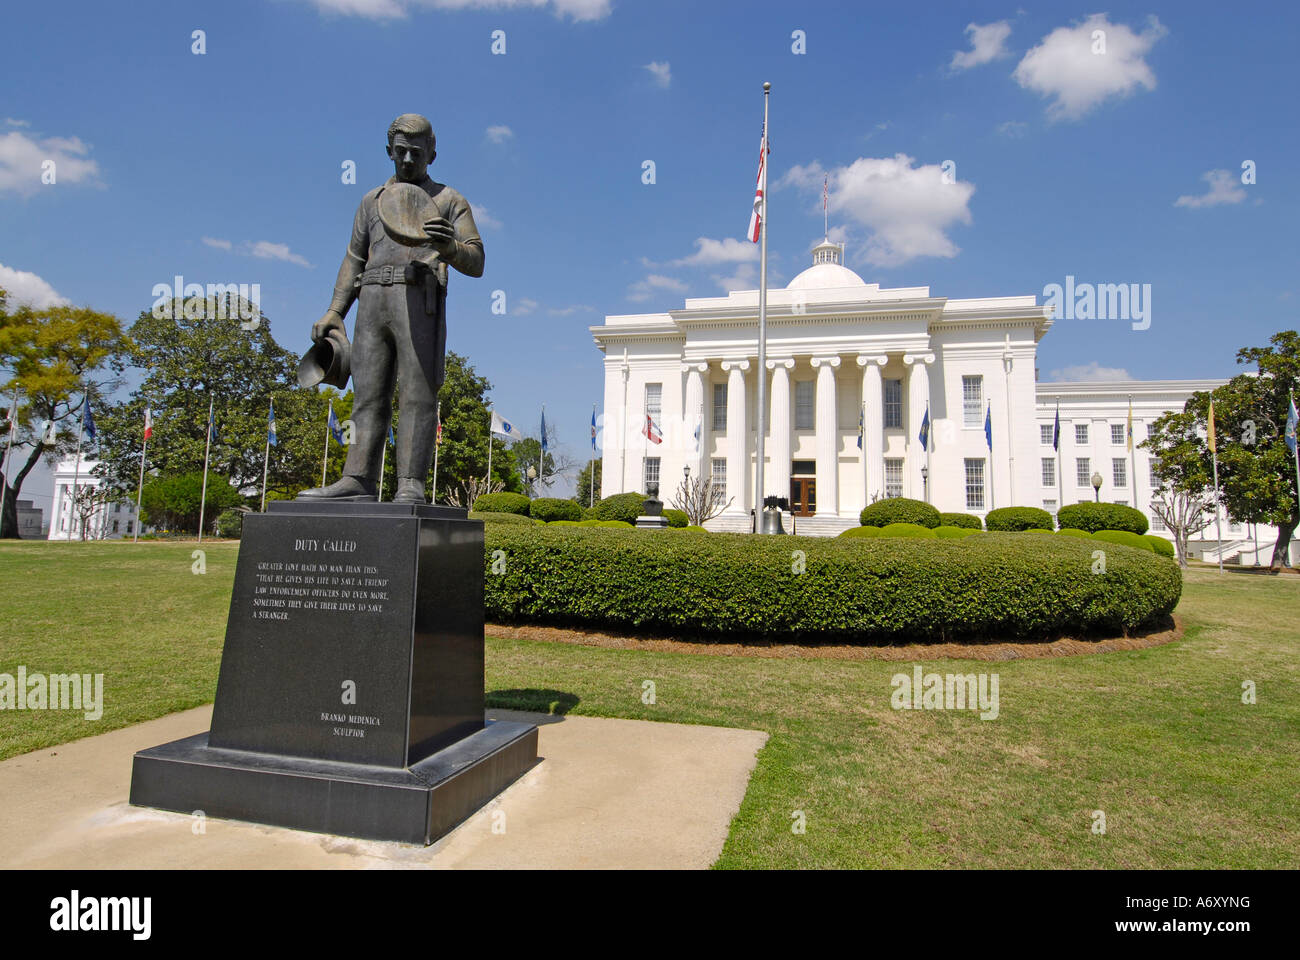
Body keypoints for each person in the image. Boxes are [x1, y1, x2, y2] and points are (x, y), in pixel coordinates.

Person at [298, 113, 484, 503]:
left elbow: (477, 260)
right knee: (368, 393)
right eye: (400, 152)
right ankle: (358, 479)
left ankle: (410, 483)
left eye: (417, 152)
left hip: (419, 299)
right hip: (372, 300)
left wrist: (450, 248)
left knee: (417, 393)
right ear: (388, 152)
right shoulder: (371, 201)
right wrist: (335, 310)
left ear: (432, 153)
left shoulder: (449, 201)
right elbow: (353, 259)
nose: (408, 159)